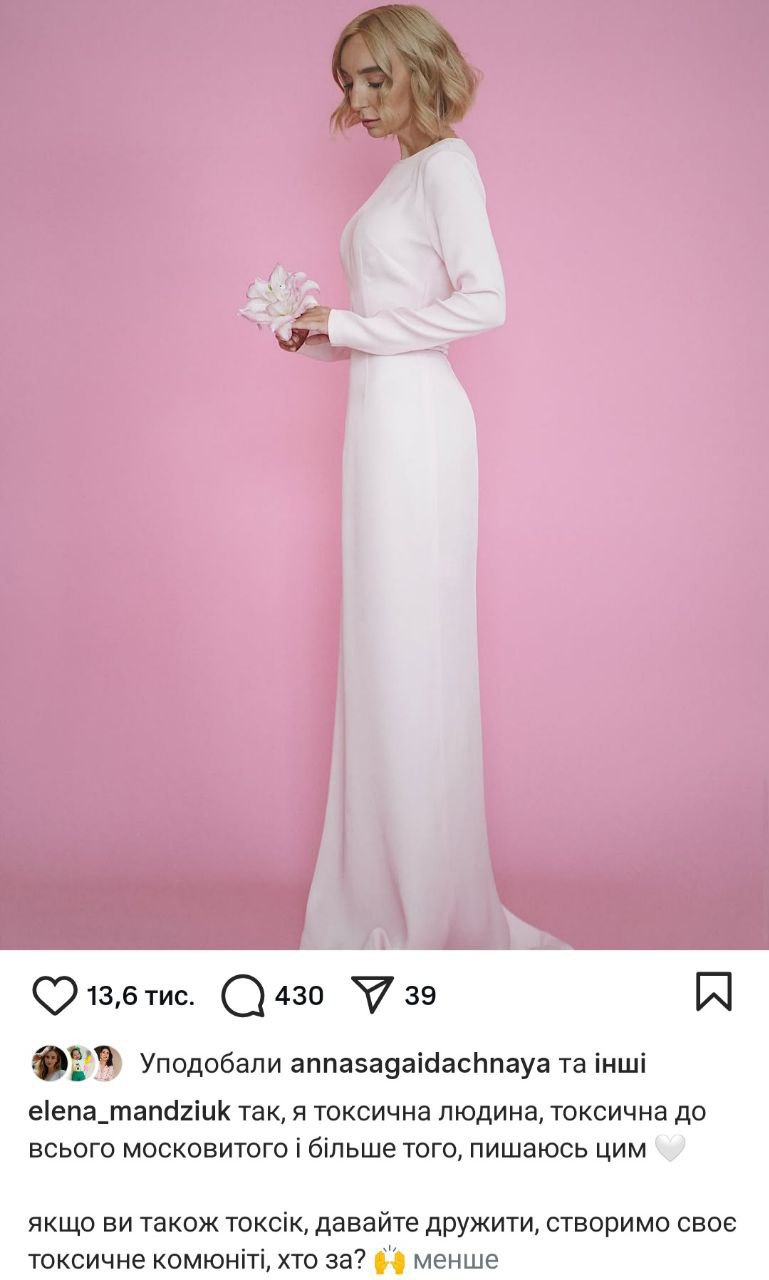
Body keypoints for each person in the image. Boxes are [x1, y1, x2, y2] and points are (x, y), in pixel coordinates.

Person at [278, 5, 570, 950]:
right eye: (348, 83)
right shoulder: (400, 178)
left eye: (375, 77)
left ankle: (430, 906)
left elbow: (483, 302)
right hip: (378, 424)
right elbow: (386, 324)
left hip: (419, 433)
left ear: (419, 69)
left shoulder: (447, 166)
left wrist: (350, 326)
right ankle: (382, 892)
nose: (360, 99)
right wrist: (322, 336)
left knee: (416, 650)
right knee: (384, 649)